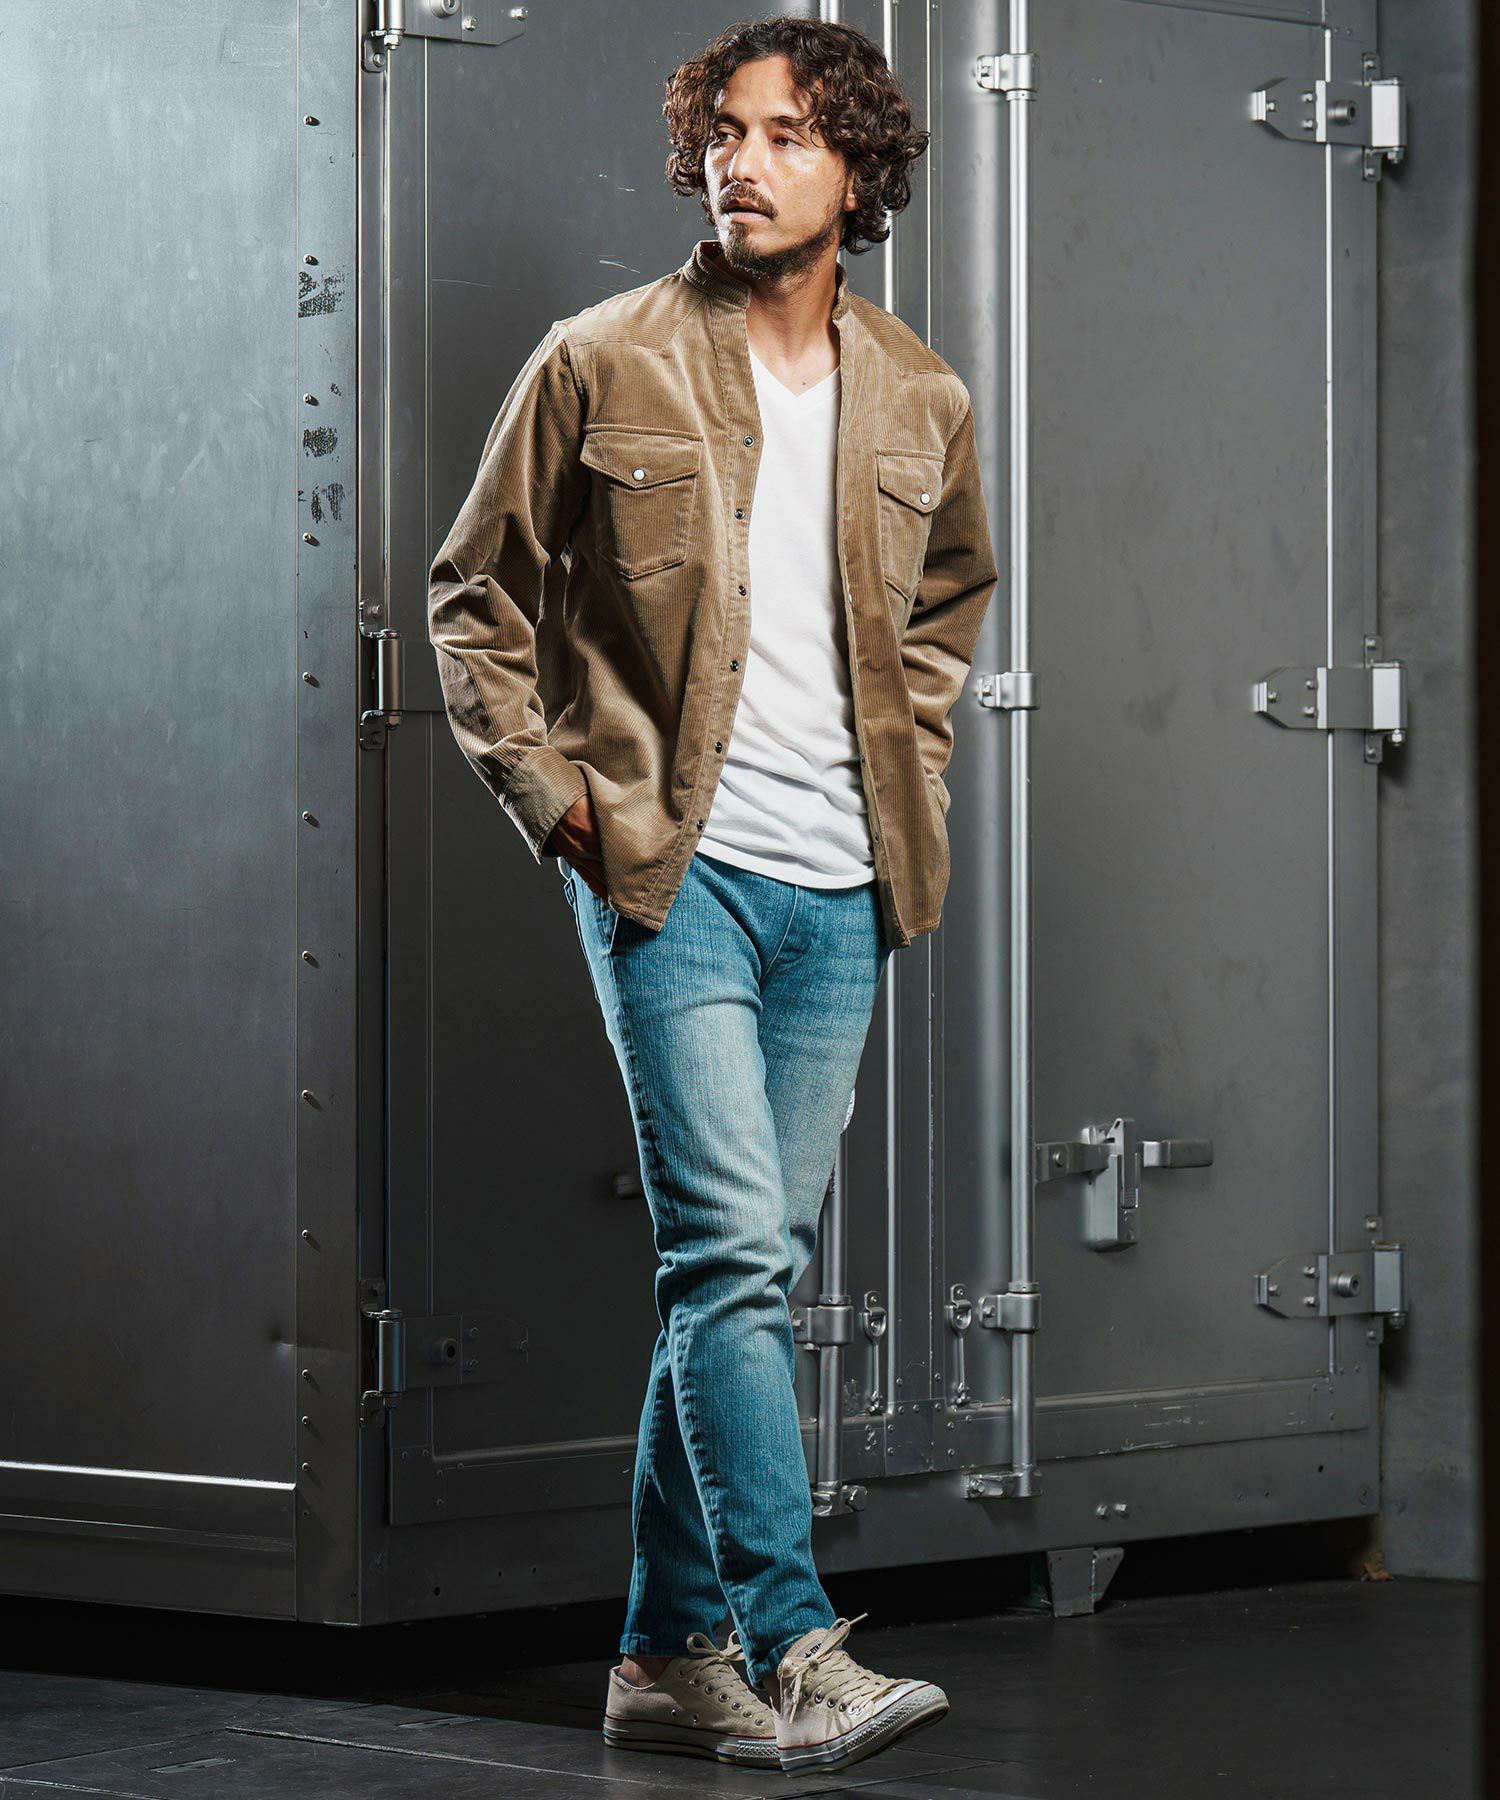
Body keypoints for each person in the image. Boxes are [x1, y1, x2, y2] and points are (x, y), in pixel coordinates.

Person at [427, 14, 997, 1777]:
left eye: (787, 135)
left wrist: (916, 781)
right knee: (734, 1257)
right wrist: (556, 800)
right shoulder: (601, 358)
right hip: (673, 880)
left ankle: (664, 1657)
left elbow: (945, 614)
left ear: (858, 173)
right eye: (725, 133)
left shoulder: (921, 396)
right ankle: (794, 1642)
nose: (742, 164)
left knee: (740, 1274)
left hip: (844, 892)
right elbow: (471, 599)